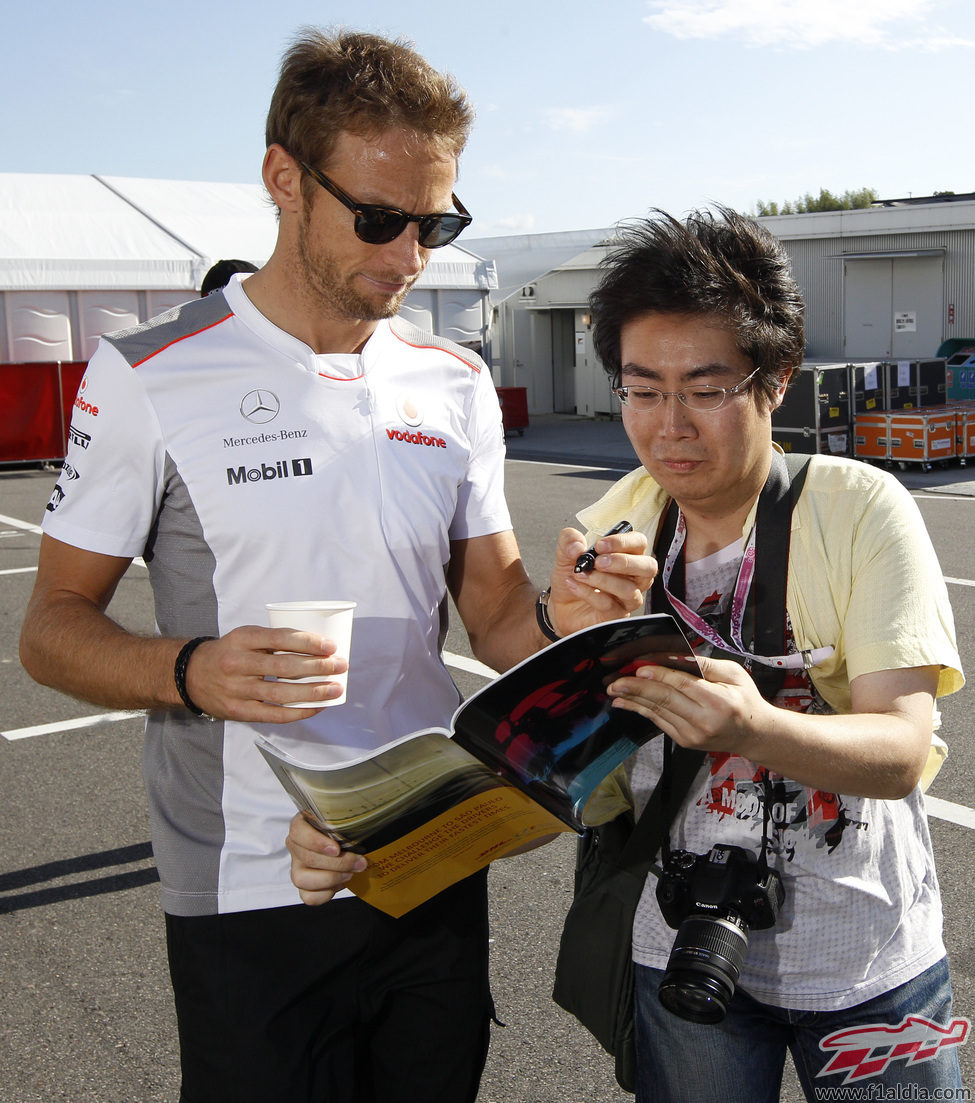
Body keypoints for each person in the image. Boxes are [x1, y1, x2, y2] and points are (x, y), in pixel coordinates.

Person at [18, 30, 653, 1103]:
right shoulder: (148, 374)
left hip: (432, 851)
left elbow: (496, 608)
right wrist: (191, 670)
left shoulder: (450, 382)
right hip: (250, 882)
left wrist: (570, 620)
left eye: (437, 224)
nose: (410, 256)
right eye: (378, 219)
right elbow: (50, 626)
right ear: (283, 179)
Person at [578, 207, 965, 1102]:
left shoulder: (858, 507)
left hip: (865, 952)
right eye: (640, 388)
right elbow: (549, 747)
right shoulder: (610, 526)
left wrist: (751, 725)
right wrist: (560, 630)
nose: (667, 424)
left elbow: (904, 750)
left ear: (773, 380)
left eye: (704, 389)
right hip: (677, 935)